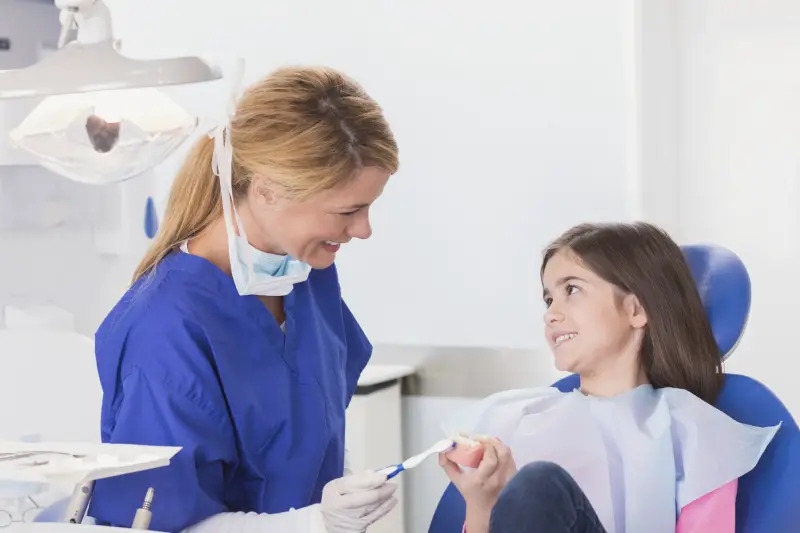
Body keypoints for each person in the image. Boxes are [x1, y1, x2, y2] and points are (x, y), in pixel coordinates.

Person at [87, 66, 400, 533]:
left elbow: (310, 436)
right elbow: (159, 523)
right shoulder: (166, 327)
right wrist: (314, 523)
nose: (364, 229)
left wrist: (346, 496)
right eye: (348, 211)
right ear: (267, 191)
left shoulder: (306, 279)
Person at [439, 222, 780, 533]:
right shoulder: (515, 418)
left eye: (571, 290)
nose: (551, 315)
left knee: (538, 485)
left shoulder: (695, 433)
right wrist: (481, 505)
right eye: (548, 299)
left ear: (635, 310)